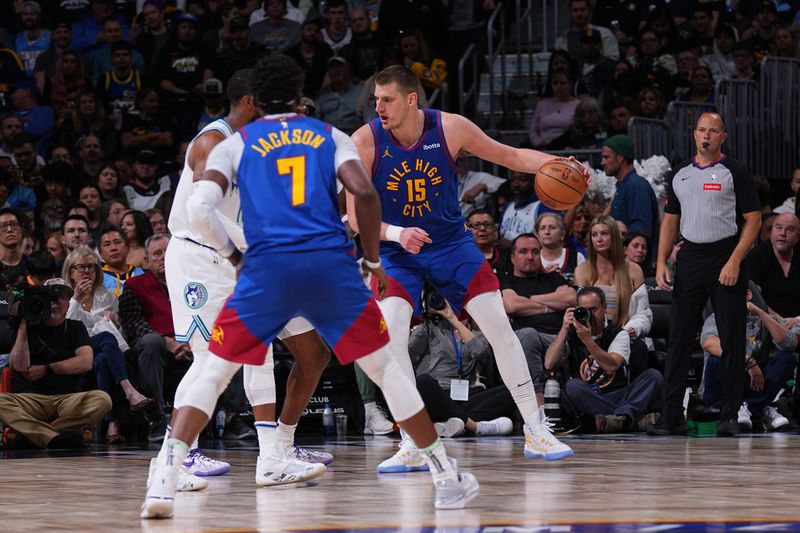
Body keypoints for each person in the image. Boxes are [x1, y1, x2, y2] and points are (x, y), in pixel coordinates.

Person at [141, 54, 479, 519]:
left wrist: (238, 256)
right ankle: (445, 477)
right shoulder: (330, 136)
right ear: (301, 95)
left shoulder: (234, 145)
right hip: (326, 267)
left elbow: (201, 209)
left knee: (214, 372)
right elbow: (364, 194)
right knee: (386, 369)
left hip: (267, 270)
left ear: (256, 97)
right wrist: (373, 259)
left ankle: (163, 479)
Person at [347, 65, 586, 469]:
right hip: (396, 251)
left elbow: (509, 155)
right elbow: (355, 217)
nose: (378, 107)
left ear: (410, 99)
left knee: (499, 328)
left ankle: (535, 427)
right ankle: (412, 440)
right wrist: (395, 233)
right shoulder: (365, 140)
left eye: (386, 100)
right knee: (391, 342)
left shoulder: (450, 128)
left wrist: (559, 163)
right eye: (375, 100)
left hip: (451, 245)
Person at [163, 67, 335, 479]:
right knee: (213, 360)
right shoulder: (211, 142)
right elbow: (198, 213)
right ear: (250, 102)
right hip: (202, 257)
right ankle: (183, 455)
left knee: (313, 351)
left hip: (247, 258)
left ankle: (280, 449)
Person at [649, 112, 761, 438]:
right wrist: (659, 263)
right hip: (690, 257)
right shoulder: (681, 174)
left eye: (713, 131)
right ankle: (671, 416)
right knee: (679, 339)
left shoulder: (734, 171)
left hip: (725, 255)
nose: (706, 136)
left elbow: (753, 221)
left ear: (723, 136)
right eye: (701, 130)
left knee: (731, 337)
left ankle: (729, 415)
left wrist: (735, 261)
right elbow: (670, 221)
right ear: (694, 134)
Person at [0, 277, 112, 449]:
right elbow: (20, 366)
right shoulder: (27, 327)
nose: (54, 303)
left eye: (60, 298)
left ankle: (37, 434)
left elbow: (86, 362)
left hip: (67, 399)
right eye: (49, 299)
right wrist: (23, 320)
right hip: (30, 399)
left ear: (69, 303)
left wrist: (47, 369)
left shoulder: (76, 327)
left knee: (103, 400)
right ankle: (56, 436)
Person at [62, 246, 152, 443]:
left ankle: (111, 424)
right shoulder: (63, 294)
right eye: (81, 267)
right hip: (75, 350)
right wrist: (76, 299)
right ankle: (129, 390)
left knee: (104, 359)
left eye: (91, 267)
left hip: (103, 353)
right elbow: (66, 329)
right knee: (105, 338)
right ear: (71, 271)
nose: (87, 271)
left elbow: (119, 337)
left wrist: (116, 319)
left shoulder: (108, 297)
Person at [544, 286, 663, 433]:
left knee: (653, 376)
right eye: (584, 310)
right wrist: (563, 329)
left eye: (593, 310)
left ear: (605, 308)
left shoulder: (618, 334)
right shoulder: (572, 334)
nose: (589, 315)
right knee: (573, 387)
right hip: (589, 397)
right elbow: (549, 364)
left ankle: (616, 420)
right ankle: (628, 419)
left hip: (618, 395)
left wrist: (588, 341)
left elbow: (611, 366)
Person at [701, 288, 795, 432]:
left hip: (751, 385)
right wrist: (748, 362)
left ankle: (748, 408)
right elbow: (708, 343)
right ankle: (759, 408)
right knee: (716, 359)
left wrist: (762, 313)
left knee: (787, 358)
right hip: (720, 389)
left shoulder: (761, 318)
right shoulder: (716, 318)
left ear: (749, 295)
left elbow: (790, 343)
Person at [601, 134, 660, 244]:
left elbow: (640, 231)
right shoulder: (624, 185)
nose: (602, 163)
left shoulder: (636, 186)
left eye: (606, 157)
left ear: (620, 158)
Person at [747, 212, 800, 319]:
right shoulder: (757, 256)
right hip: (767, 321)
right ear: (771, 232)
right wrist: (777, 320)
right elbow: (755, 298)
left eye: (789, 229)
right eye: (778, 228)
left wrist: (798, 319)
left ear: (798, 237)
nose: (782, 233)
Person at [536, 212, 586, 281]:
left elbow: (583, 289)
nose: (547, 232)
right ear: (538, 235)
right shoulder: (532, 259)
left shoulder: (577, 257)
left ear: (562, 234)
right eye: (542, 228)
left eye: (552, 228)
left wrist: (563, 279)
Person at [455, 152, 506, 217]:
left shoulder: (479, 177)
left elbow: (505, 184)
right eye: (456, 161)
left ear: (467, 160)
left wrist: (482, 187)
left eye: (462, 160)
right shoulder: (443, 181)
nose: (459, 164)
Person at [98, 226, 144, 296]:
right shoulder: (97, 280)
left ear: (128, 247)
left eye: (117, 242)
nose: (113, 248)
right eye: (107, 244)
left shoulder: (143, 275)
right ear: (100, 253)